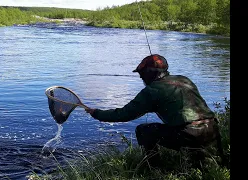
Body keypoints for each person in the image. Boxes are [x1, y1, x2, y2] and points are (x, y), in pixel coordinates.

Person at [85, 54, 224, 168]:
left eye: (142, 74)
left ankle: (154, 169)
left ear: (149, 74)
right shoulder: (184, 80)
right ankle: (211, 162)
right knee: (211, 164)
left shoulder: (152, 91)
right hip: (212, 129)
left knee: (143, 130)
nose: (141, 77)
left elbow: (124, 114)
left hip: (189, 134)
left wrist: (96, 113)